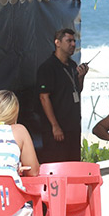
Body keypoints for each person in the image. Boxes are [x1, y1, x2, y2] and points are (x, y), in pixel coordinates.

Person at [37, 28, 89, 163]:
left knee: (73, 162)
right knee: (58, 162)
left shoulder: (72, 65)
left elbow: (77, 90)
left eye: (74, 41)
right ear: (57, 43)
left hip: (72, 125)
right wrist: (55, 126)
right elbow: (44, 97)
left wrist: (81, 77)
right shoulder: (48, 67)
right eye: (69, 41)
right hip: (57, 127)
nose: (73, 44)